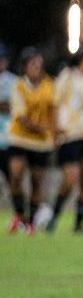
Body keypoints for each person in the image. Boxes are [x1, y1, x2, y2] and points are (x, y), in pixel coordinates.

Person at [47, 44, 83, 233]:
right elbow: (55, 104)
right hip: (69, 133)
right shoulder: (67, 76)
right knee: (70, 180)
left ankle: (79, 224)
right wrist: (55, 130)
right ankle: (53, 218)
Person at [6, 48, 57, 235]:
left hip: (41, 143)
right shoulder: (18, 86)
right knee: (16, 176)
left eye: (39, 64)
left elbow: (54, 110)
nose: (37, 67)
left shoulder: (49, 86)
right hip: (20, 139)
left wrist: (55, 131)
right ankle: (19, 213)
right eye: (33, 64)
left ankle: (31, 222)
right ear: (25, 66)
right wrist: (47, 128)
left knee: (37, 182)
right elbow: (21, 118)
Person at [0, 44, 16, 195]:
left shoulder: (13, 81)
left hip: (7, 139)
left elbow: (13, 107)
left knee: (12, 179)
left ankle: (19, 214)